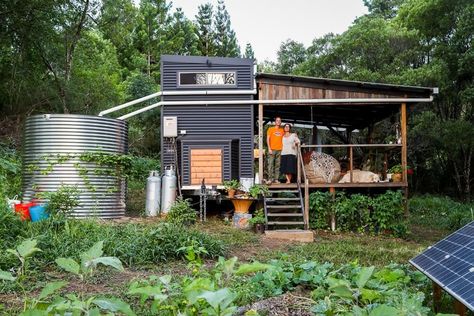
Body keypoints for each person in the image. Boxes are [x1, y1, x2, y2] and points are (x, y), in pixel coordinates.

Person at [266, 116, 284, 184]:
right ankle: (270, 179)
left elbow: (286, 136)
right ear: (275, 122)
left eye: (280, 120)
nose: (278, 121)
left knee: (277, 165)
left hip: (279, 150)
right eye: (277, 120)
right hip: (272, 149)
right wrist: (269, 148)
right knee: (270, 164)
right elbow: (267, 139)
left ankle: (276, 179)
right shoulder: (270, 129)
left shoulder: (282, 130)